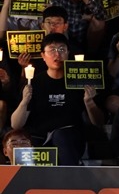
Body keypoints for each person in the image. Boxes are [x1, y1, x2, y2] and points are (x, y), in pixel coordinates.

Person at [11, 33, 103, 165]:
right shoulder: (33, 83)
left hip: (70, 138)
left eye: (61, 49)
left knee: (61, 136)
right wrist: (24, 102)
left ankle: (70, 179)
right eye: (52, 50)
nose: (57, 54)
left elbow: (98, 122)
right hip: (40, 138)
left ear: (68, 53)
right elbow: (16, 124)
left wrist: (89, 102)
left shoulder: (80, 82)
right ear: (43, 55)